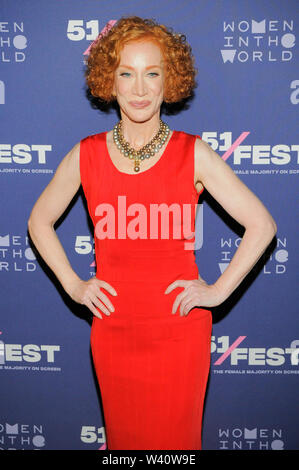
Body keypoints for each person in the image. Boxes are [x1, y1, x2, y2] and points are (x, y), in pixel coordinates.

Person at [27, 15, 277, 450]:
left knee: (176, 446)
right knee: (125, 444)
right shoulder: (85, 155)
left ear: (170, 80)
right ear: (110, 80)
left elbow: (262, 224)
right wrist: (73, 284)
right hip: (113, 329)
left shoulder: (193, 153)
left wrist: (217, 291)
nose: (139, 89)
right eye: (127, 73)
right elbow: (38, 221)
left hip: (180, 331)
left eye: (152, 73)